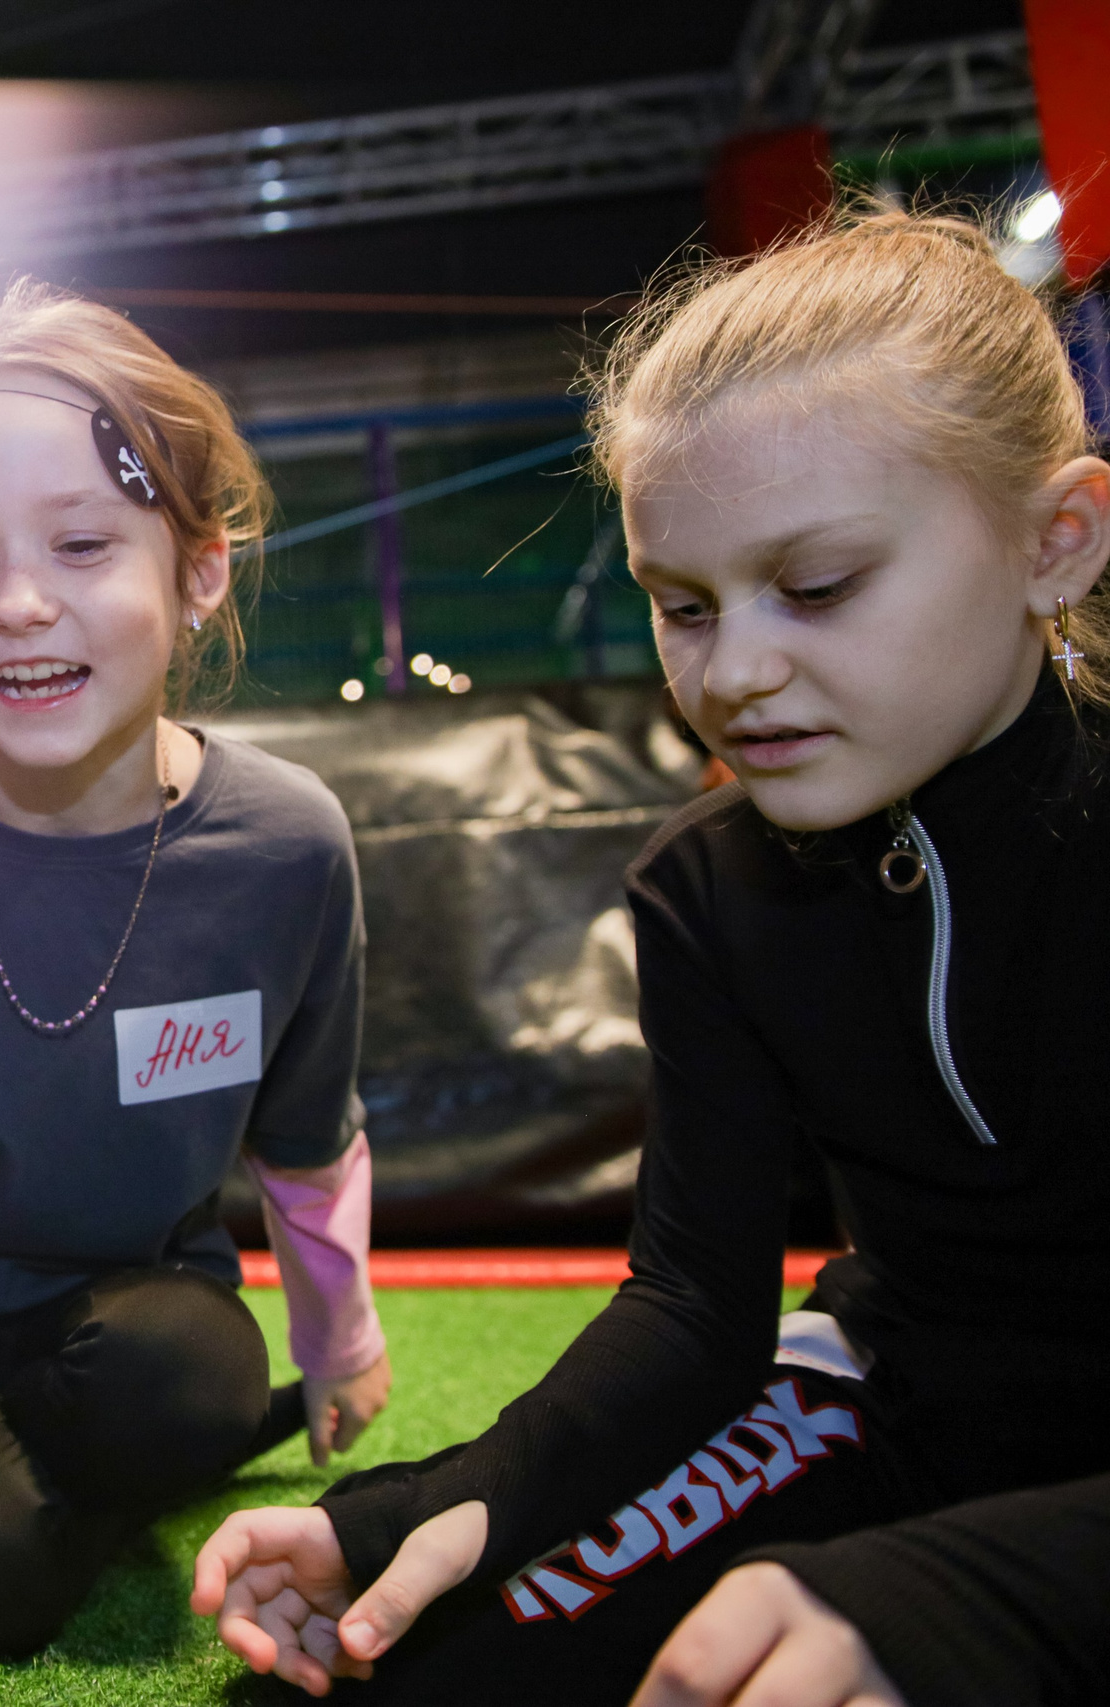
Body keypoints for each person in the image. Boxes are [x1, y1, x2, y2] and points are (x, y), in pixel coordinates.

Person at [192, 208, 1110, 1707]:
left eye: (816, 588)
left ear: (1054, 541)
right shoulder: (710, 886)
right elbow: (695, 1306)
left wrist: (952, 1597)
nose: (733, 673)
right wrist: (434, 1506)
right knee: (411, 1671)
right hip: (902, 1398)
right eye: (683, 605)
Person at [0, 282, 387, 1660]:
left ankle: (144, 1458)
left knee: (188, 1386)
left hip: (131, 1306)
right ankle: (50, 1508)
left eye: (81, 544)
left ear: (199, 570)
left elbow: (309, 1139)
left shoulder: (284, 842)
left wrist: (343, 1337)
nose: (18, 604)